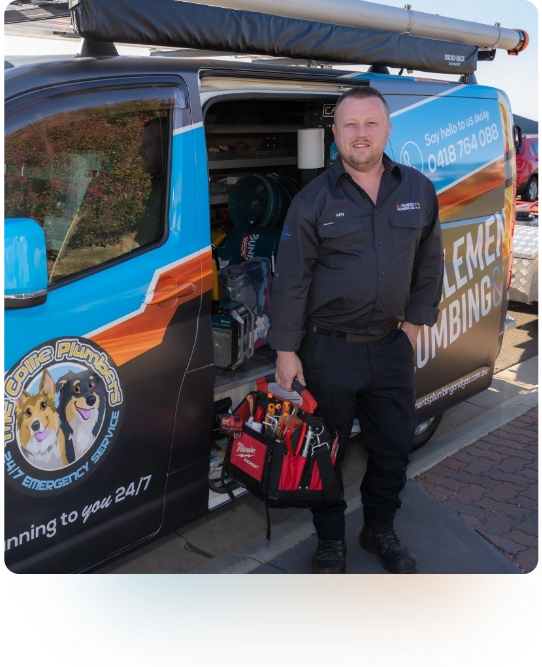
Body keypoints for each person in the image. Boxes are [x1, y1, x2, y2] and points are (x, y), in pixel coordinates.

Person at [269, 87, 444, 574]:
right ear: (335, 134)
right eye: (350, 125)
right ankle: (330, 541)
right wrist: (287, 350)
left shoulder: (417, 190)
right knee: (324, 454)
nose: (361, 134)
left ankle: (378, 529)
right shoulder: (312, 201)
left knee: (393, 447)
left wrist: (412, 325)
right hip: (327, 350)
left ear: (388, 130)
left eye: (371, 124)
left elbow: (430, 262)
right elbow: (291, 280)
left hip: (391, 348)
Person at [133, 116, 168, 249]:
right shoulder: (160, 183)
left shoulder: (175, 191)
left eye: (146, 145)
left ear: (165, 147)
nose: (139, 152)